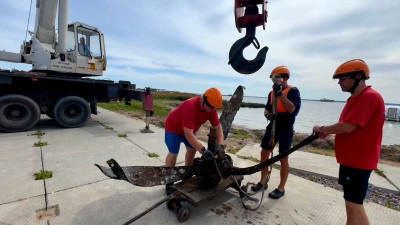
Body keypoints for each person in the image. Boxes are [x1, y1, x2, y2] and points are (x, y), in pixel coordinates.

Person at [313, 59, 384, 225]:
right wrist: (327, 132)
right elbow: (348, 127)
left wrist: (322, 128)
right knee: (351, 204)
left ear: (358, 76)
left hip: (359, 162)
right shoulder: (356, 98)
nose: (339, 82)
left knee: (354, 205)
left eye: (342, 78)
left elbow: (347, 127)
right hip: (352, 160)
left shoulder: (369, 97)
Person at [252, 66, 301, 200]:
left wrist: (280, 94)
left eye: (277, 77)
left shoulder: (293, 91)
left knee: (283, 157)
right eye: (273, 78)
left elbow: (291, 109)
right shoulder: (271, 93)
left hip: (286, 128)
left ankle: (281, 188)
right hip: (273, 125)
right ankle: (263, 181)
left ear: (284, 78)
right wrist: (268, 116)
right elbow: (267, 109)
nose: (274, 81)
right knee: (264, 153)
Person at [165, 87, 225, 168]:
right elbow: (188, 134)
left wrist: (220, 146)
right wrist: (203, 150)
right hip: (174, 129)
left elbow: (218, 127)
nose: (212, 110)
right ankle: (169, 174)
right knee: (174, 152)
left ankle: (188, 171)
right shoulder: (190, 105)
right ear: (204, 100)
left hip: (190, 130)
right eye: (211, 107)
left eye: (215, 108)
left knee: (192, 150)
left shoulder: (211, 110)